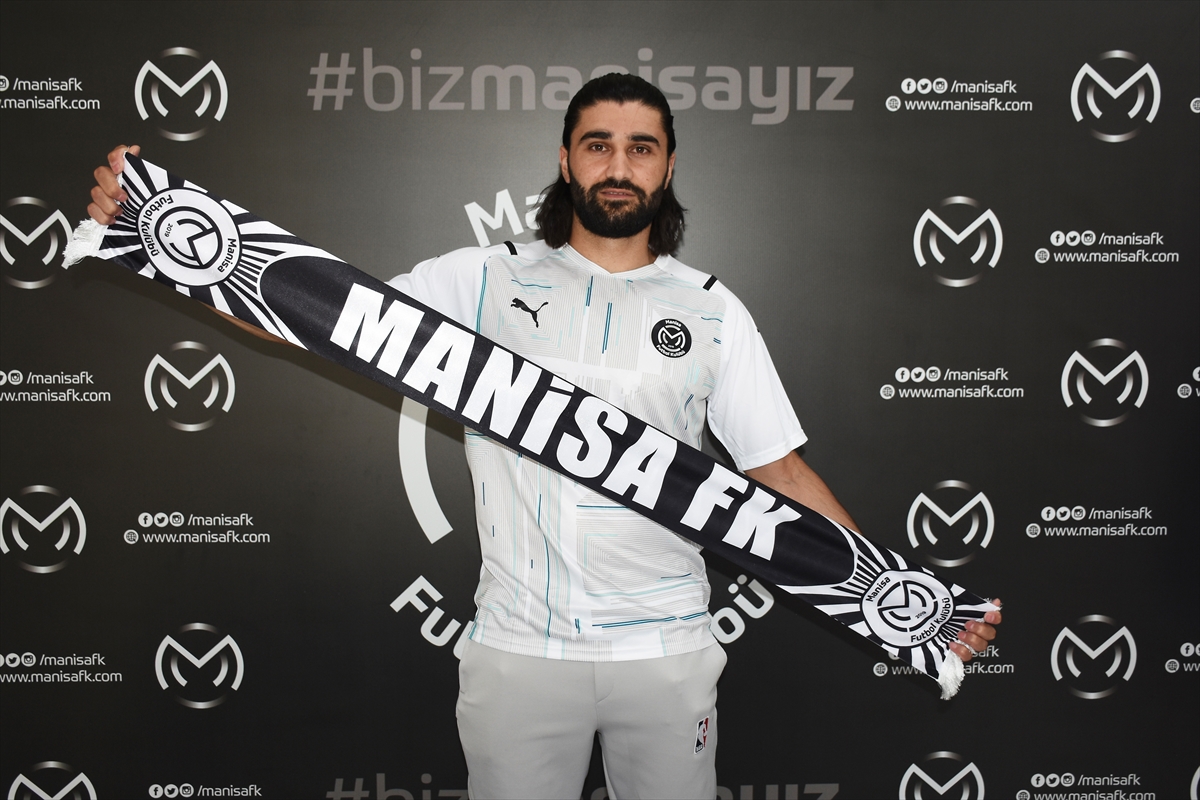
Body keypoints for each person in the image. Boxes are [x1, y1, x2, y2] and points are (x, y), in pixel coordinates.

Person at [88, 74, 1001, 800]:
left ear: (668, 167)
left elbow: (780, 472)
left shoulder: (714, 311)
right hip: (518, 652)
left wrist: (902, 604)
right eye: (598, 144)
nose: (618, 164)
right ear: (565, 160)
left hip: (667, 652)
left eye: (640, 147)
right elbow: (319, 319)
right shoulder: (479, 278)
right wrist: (157, 235)